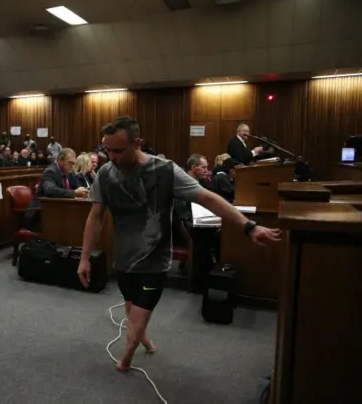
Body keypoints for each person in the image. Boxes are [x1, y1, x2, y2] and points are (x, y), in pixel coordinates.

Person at [77, 116, 280, 372]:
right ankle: (145, 341)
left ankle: (126, 359)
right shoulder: (105, 174)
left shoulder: (164, 170)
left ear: (137, 143)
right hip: (124, 258)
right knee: (132, 310)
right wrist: (84, 258)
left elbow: (207, 197)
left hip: (155, 259)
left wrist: (248, 226)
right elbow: (95, 217)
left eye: (118, 150)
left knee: (138, 317)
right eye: (107, 149)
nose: (112, 156)